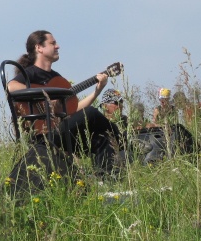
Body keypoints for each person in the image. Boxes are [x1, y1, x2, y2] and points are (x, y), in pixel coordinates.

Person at [7, 30, 120, 175]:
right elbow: (11, 87)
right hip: (43, 135)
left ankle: (105, 179)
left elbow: (75, 110)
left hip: (60, 130)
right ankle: (125, 141)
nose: (58, 46)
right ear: (39, 48)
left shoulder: (58, 79)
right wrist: (47, 97)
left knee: (101, 136)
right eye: (52, 43)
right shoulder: (30, 73)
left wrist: (97, 91)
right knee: (91, 113)